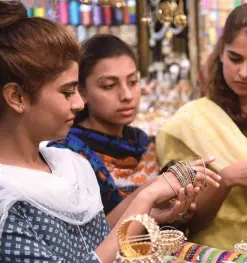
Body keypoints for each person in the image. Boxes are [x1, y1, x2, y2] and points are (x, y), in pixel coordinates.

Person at [0, 1, 219, 263]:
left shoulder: (70, 164)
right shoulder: (6, 199)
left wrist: (149, 213)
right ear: (17, 98)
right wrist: (145, 199)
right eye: (68, 92)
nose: (79, 103)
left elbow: (95, 246)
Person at [155, 3, 247, 250]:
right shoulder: (190, 122)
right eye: (235, 58)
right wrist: (226, 180)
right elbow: (185, 222)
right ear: (222, 52)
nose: (243, 72)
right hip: (217, 259)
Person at [48, 34, 198, 226]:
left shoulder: (142, 143)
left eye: (133, 82)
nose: (127, 95)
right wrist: (145, 195)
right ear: (82, 92)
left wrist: (178, 209)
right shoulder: (68, 154)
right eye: (109, 86)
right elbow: (87, 239)